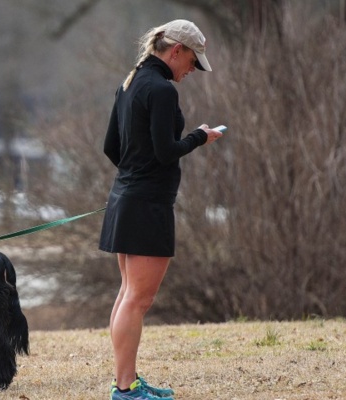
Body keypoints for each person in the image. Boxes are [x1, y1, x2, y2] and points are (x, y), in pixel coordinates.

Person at [99, 19, 223, 400]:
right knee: (138, 299)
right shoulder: (161, 90)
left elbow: (111, 148)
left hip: (128, 197)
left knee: (128, 295)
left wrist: (134, 174)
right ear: (176, 51)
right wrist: (200, 136)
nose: (191, 71)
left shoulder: (131, 81)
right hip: (147, 205)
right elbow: (166, 151)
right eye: (192, 62)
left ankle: (129, 382)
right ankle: (125, 389)